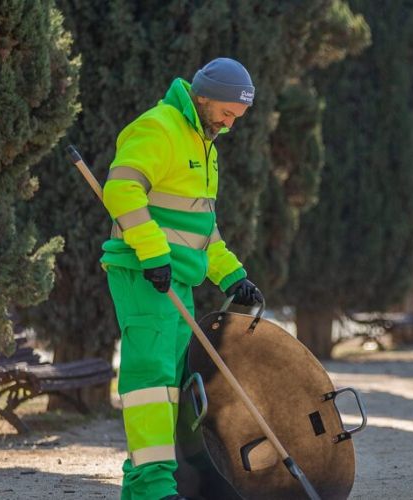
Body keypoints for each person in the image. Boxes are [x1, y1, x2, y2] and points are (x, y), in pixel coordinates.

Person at [101, 57, 264, 500]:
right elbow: (120, 188)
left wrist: (233, 277)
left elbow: (201, 231)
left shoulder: (205, 146)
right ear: (203, 95)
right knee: (150, 383)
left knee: (171, 389)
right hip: (143, 274)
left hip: (178, 281)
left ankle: (142, 489)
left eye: (238, 117)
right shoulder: (159, 127)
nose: (230, 124)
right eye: (227, 112)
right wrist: (152, 253)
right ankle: (155, 489)